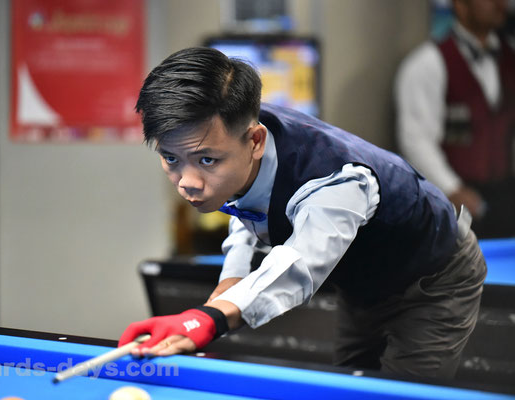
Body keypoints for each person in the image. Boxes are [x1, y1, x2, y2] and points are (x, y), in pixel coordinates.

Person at [118, 47, 487, 379]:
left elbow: (300, 264)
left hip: (435, 276)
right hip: (363, 285)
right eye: (171, 158)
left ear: (255, 141)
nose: (187, 182)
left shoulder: (335, 184)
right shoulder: (235, 134)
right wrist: (233, 276)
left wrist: (212, 318)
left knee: (398, 392)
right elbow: (248, 206)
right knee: (349, 384)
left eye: (206, 160)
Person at [395, 0, 515, 239]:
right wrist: (451, 188)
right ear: (460, 5)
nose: (500, 3)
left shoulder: (511, 57)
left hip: (506, 196)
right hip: (453, 204)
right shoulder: (427, 64)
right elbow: (416, 140)